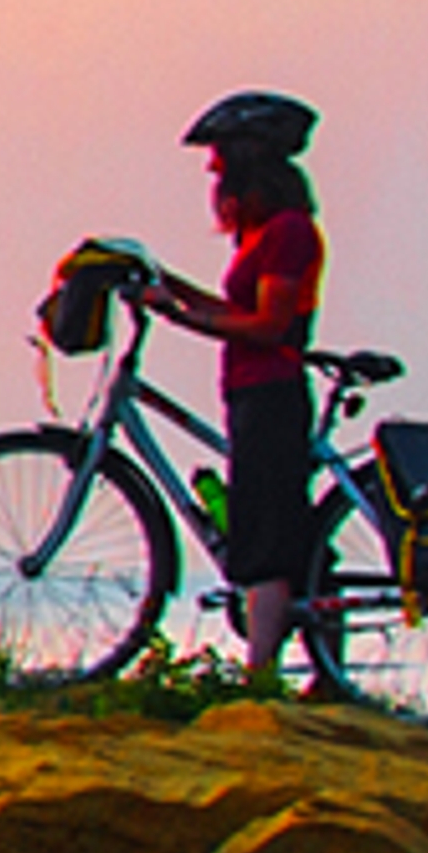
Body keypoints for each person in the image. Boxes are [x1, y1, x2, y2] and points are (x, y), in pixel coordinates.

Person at [138, 90, 325, 679]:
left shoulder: (288, 233)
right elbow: (235, 308)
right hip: (249, 390)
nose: (212, 174)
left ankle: (259, 675)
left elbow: (269, 326)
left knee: (265, 540)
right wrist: (169, 286)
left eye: (218, 160)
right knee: (284, 529)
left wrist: (181, 316)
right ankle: (320, 671)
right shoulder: (263, 233)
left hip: (270, 390)